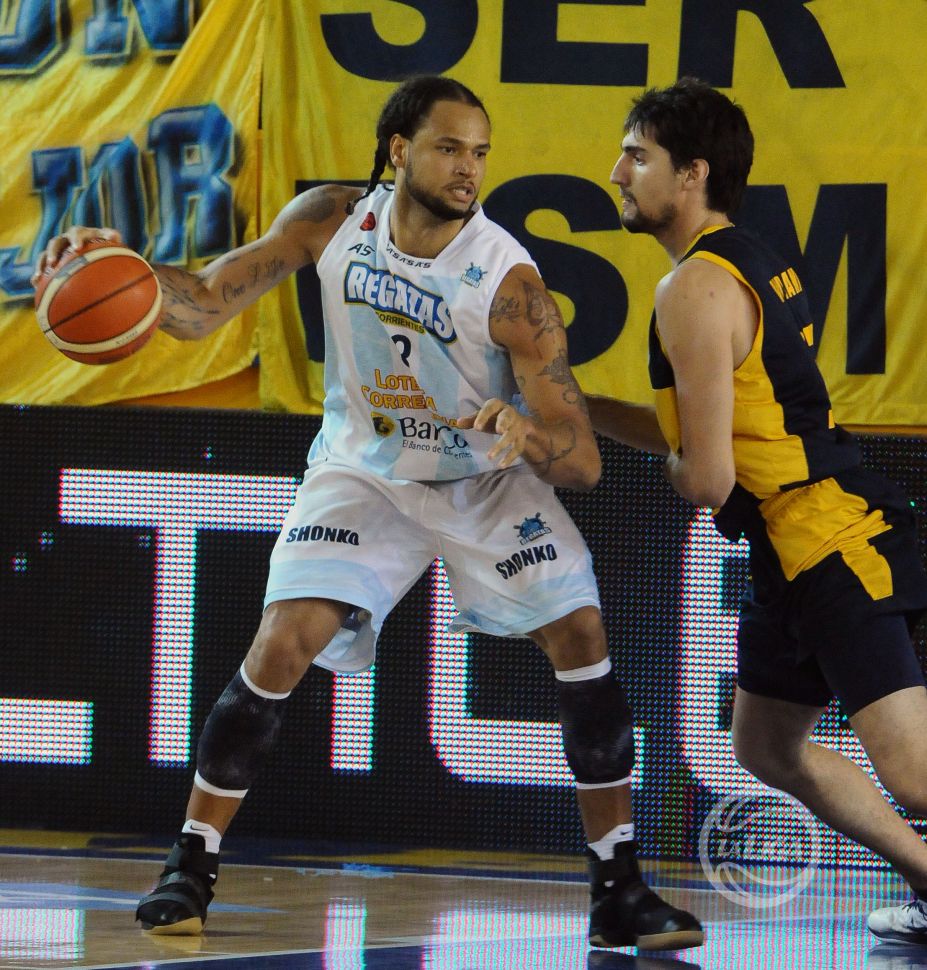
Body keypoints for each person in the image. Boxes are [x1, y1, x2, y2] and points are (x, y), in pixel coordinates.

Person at [35, 75, 702, 951]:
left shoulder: (510, 284)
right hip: (367, 470)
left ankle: (618, 889)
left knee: (580, 633)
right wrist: (120, 271)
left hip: (481, 478)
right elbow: (201, 306)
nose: (468, 169)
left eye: (479, 153)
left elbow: (580, 458)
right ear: (398, 150)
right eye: (449, 148)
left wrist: (526, 433)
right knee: (282, 643)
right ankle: (189, 866)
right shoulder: (330, 218)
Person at [587, 76, 927, 944]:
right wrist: (578, 408)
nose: (617, 172)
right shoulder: (746, 258)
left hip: (829, 542)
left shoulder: (691, 290)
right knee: (764, 746)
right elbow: (713, 429)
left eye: (636, 155)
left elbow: (705, 479)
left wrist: (569, 450)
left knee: (915, 776)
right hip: (791, 551)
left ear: (691, 173)